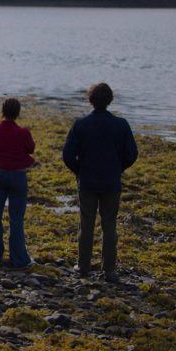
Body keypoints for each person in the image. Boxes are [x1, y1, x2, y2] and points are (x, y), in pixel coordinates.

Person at [61, 82, 138, 283]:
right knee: (109, 225)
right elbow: (132, 154)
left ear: (90, 99)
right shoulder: (121, 125)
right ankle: (109, 269)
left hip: (87, 181)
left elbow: (68, 155)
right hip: (111, 182)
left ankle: (83, 266)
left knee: (86, 224)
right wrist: (118, 168)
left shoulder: (80, 124)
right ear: (110, 100)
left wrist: (79, 170)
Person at [0, 97, 35, 268]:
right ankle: (18, 258)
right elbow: (31, 148)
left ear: (2, 111)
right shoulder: (23, 132)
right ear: (18, 113)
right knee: (16, 219)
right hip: (18, 176)